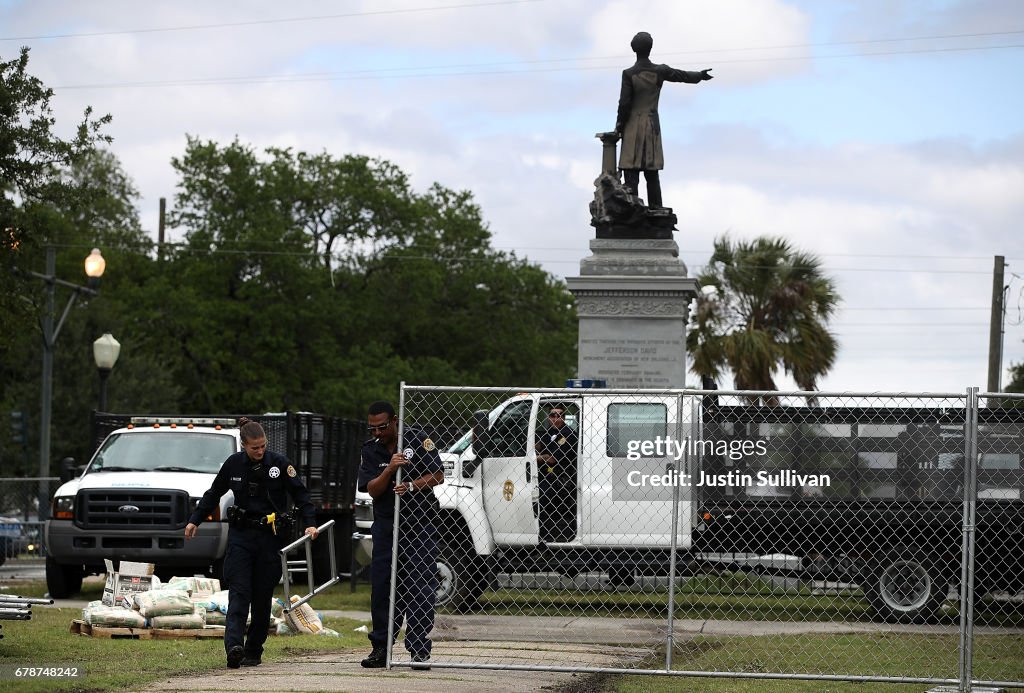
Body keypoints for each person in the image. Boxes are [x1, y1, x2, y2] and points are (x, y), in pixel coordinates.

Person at [185, 417, 318, 669]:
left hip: (270, 538)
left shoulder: (279, 464)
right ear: (243, 445)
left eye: (263, 446)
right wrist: (195, 520)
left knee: (261, 597)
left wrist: (309, 522)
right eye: (255, 447)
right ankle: (234, 647)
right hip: (242, 537)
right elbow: (214, 493)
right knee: (239, 593)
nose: (260, 451)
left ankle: (253, 650)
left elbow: (301, 494)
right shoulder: (234, 464)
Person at [357, 401, 444, 670]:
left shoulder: (418, 439)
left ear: (394, 421)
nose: (378, 433)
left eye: (382, 427)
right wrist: (390, 470)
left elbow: (438, 475)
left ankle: (419, 649)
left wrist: (411, 485)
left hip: (419, 525)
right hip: (386, 526)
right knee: (383, 587)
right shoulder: (370, 450)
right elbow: (371, 489)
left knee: (420, 587)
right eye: (373, 428)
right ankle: (381, 648)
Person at [615, 31, 713, 208]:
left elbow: (624, 104)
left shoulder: (628, 74)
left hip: (631, 128)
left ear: (634, 49)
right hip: (652, 126)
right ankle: (656, 210)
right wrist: (700, 75)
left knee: (631, 173)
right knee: (651, 173)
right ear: (650, 48)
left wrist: (619, 127)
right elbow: (682, 75)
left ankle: (631, 210)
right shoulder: (660, 71)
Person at [535, 402, 578, 543]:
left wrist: (533, 458)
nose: (555, 418)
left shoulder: (568, 435)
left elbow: (552, 459)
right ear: (548, 417)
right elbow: (537, 446)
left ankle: (543, 538)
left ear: (564, 418)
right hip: (545, 475)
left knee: (539, 498)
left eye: (559, 415)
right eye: (552, 415)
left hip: (561, 478)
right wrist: (538, 453)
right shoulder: (547, 432)